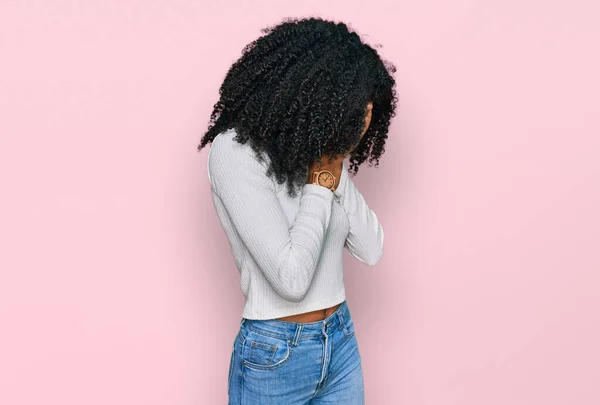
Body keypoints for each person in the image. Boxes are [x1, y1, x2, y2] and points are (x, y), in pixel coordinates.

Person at [198, 16, 397, 405]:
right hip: (275, 355)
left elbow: (371, 249)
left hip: (340, 343)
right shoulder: (235, 153)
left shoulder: (319, 150)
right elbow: (292, 280)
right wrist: (321, 181)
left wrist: (336, 163)